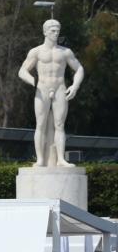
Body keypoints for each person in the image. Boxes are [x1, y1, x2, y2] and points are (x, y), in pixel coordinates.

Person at [18, 19, 84, 168]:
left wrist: (75, 86)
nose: (56, 33)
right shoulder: (36, 51)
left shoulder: (65, 52)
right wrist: (32, 81)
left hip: (60, 87)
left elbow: (79, 68)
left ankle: (61, 159)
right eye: (53, 30)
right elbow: (22, 71)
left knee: (60, 124)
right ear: (45, 32)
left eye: (58, 30)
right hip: (42, 89)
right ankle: (40, 160)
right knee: (40, 125)